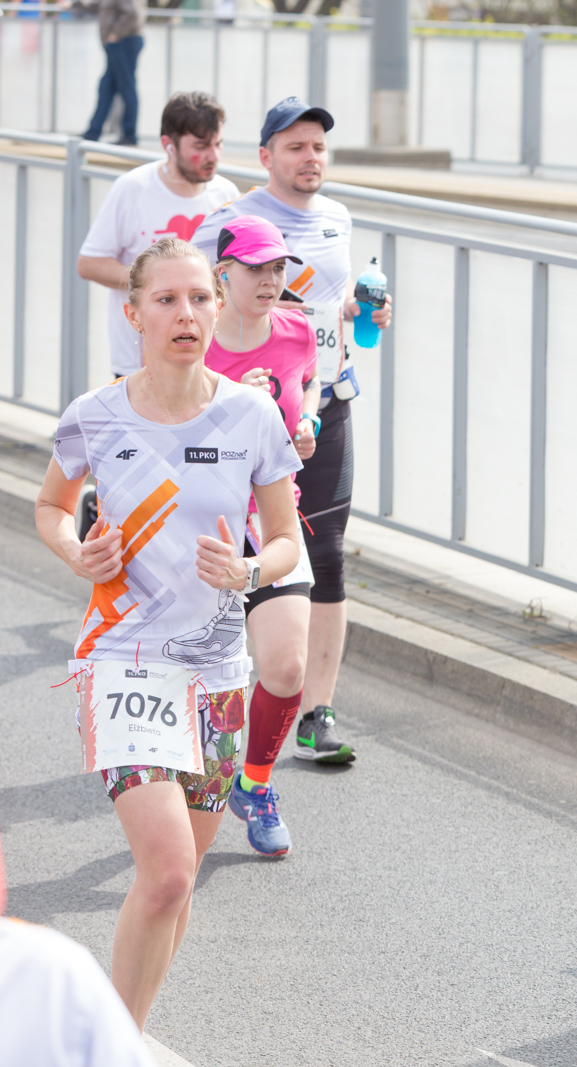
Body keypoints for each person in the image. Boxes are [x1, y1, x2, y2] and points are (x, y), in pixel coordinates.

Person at [35, 237, 301, 1028]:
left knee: (175, 886)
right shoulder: (95, 415)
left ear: (218, 307)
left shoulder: (251, 414)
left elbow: (286, 538)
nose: (186, 314)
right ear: (135, 312)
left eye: (199, 299)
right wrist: (75, 549)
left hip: (216, 670)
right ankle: (106, 1047)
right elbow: (50, 506)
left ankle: (125, 1030)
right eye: (166, 300)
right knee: (168, 869)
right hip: (125, 661)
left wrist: (250, 572)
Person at [194, 96, 392, 767]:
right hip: (241, 417)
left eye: (319, 148)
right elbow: (186, 294)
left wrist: (366, 311)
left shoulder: (337, 217)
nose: (311, 159)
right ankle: (226, 687)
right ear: (266, 156)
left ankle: (317, 710)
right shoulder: (229, 222)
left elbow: (329, 311)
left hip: (320, 403)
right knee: (227, 547)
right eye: (296, 147)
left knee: (328, 551)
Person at [205, 215, 320, 858]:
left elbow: (305, 415)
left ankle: (254, 784)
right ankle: (187, 781)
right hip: (206, 527)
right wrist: (229, 407)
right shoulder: (195, 342)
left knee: (285, 667)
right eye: (257, 268)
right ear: (224, 274)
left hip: (273, 522)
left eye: (278, 267)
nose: (272, 280)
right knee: (207, 678)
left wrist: (305, 437)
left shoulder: (299, 332)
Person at [78, 92, 238, 380]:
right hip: (136, 361)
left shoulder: (226, 195)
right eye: (201, 146)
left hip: (209, 360)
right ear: (168, 145)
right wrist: (155, 286)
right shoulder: (132, 188)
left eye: (218, 144)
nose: (213, 156)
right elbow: (89, 263)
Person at [0, 837, 154, 1067]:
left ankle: (124, 1032)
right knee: (169, 874)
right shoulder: (46, 967)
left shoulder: (47, 967)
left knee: (179, 878)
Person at [75, 0, 145, 146]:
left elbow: (133, 14)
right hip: (118, 44)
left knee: (126, 87)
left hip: (124, 42)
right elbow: (104, 6)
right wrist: (76, 4)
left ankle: (129, 135)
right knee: (106, 86)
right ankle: (93, 132)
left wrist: (115, 35)